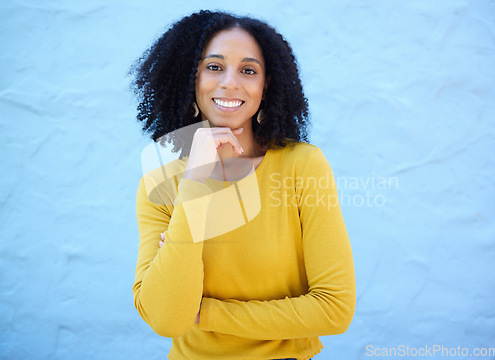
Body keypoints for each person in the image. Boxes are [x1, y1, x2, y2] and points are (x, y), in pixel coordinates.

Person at [131, 10, 356, 360]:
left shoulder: (302, 166)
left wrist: (206, 313)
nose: (230, 83)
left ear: (266, 87)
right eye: (214, 67)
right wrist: (194, 180)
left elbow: (334, 308)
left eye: (248, 70)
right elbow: (166, 318)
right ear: (190, 78)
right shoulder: (161, 182)